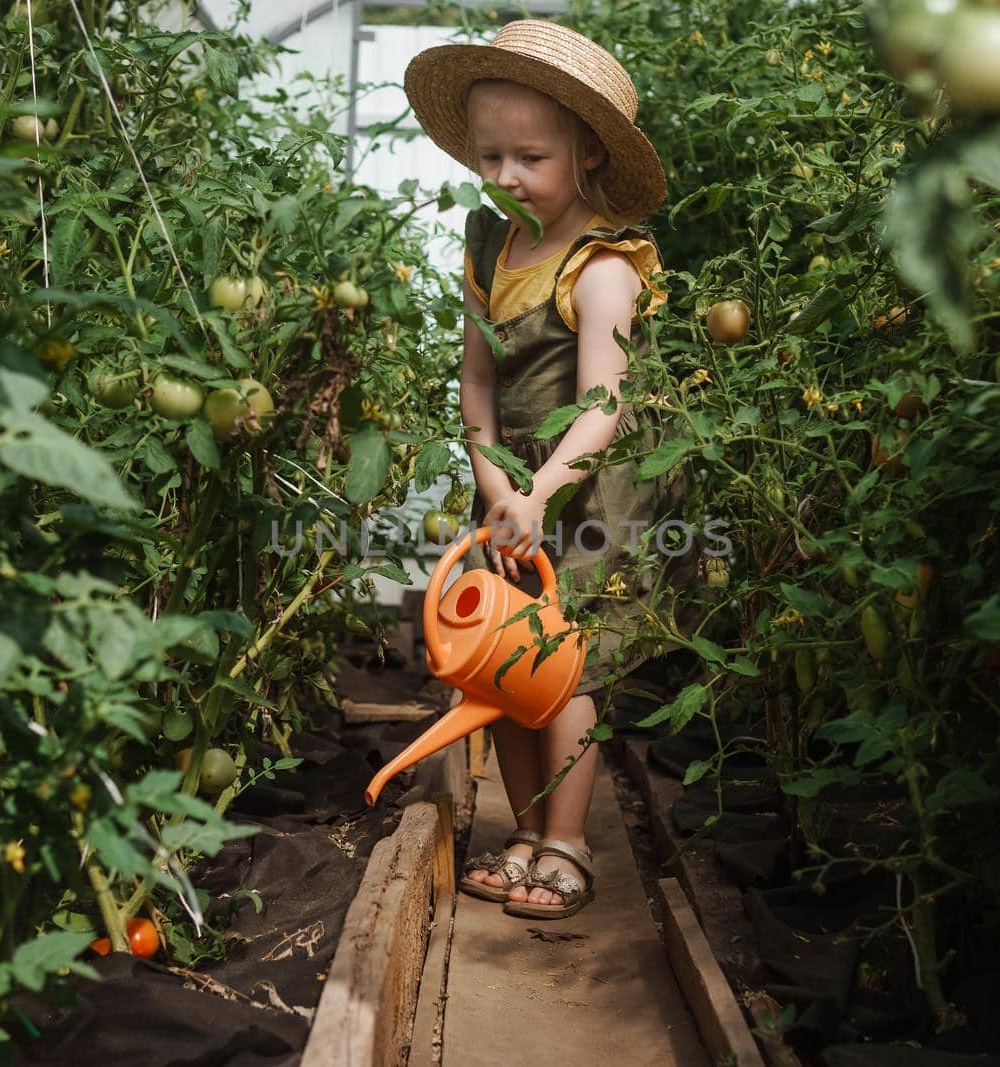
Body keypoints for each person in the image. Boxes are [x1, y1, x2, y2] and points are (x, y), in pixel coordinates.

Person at [404, 20, 687, 920]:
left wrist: (536, 493)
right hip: (510, 492)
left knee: (561, 668)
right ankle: (524, 831)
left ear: (588, 151)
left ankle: (567, 842)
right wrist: (494, 484)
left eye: (528, 156)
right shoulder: (489, 250)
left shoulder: (602, 267)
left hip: (588, 494)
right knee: (502, 666)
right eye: (489, 156)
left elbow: (604, 407)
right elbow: (477, 380)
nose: (504, 178)